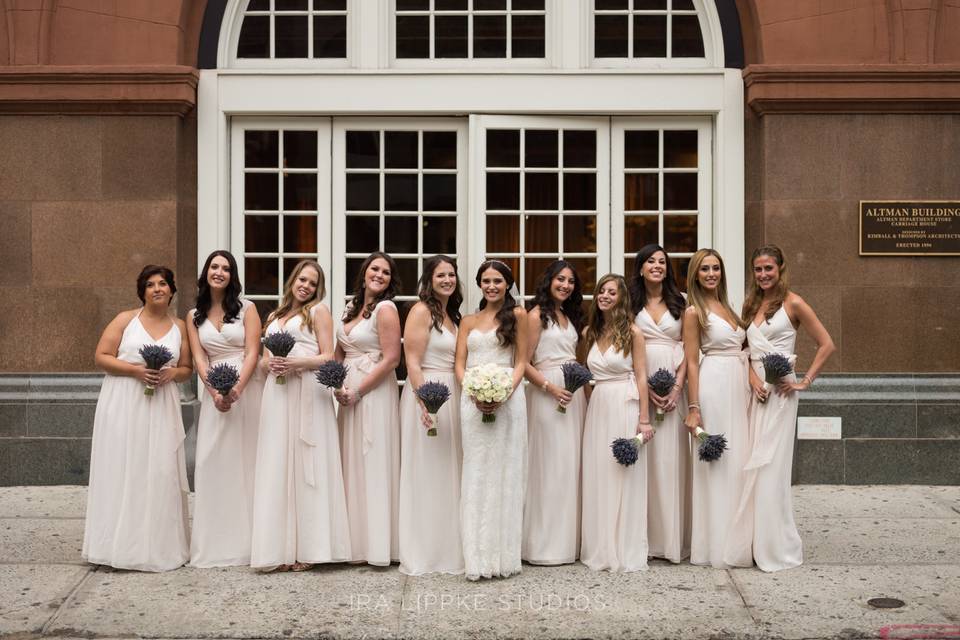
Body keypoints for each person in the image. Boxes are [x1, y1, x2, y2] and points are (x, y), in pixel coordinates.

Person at [729, 245, 835, 571]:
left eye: (768, 269)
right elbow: (745, 351)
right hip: (755, 388)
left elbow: (827, 344)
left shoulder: (795, 302)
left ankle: (774, 545)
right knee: (750, 461)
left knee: (771, 467)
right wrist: (751, 380)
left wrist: (804, 382)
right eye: (758, 270)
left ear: (780, 269)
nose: (763, 275)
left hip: (782, 391)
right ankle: (752, 540)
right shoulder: (751, 304)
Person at [82, 264, 192, 572]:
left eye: (163, 284)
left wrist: (172, 373)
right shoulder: (125, 320)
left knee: (159, 470)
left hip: (161, 405)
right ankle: (115, 545)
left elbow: (186, 369)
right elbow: (101, 357)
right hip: (124, 401)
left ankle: (158, 546)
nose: (157, 289)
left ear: (172, 290)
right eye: (150, 285)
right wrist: (136, 370)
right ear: (142, 291)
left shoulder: (180, 326)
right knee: (123, 467)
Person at [251, 260, 351, 571]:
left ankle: (312, 547)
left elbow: (327, 356)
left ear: (317, 288)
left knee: (310, 463)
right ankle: (279, 548)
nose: (305, 286)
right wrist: (271, 365)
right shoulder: (275, 316)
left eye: (312, 282)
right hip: (278, 392)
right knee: (278, 461)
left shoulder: (319, 312)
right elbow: (263, 361)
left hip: (308, 390)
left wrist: (295, 364)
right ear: (293, 281)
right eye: (302, 279)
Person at [186, 250, 263, 568]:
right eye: (214, 267)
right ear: (205, 273)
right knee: (212, 462)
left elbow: (252, 352)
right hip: (214, 393)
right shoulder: (193, 316)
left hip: (247, 389)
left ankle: (252, 542)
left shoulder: (247, 309)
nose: (220, 272)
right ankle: (216, 542)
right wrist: (215, 392)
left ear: (233, 276)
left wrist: (235, 390)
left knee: (248, 461)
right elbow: (199, 359)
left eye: (226, 268)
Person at [455, 260, 528, 580]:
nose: (492, 286)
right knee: (476, 471)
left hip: (508, 399)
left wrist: (503, 394)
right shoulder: (467, 321)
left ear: (507, 284)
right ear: (479, 284)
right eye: (485, 281)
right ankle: (475, 557)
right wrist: (471, 390)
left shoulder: (519, 316)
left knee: (504, 472)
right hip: (471, 398)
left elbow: (522, 361)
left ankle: (502, 557)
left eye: (498, 280)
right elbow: (460, 362)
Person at [682, 249, 752, 569]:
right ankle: (715, 543)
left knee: (739, 460)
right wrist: (694, 407)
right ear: (695, 274)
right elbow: (693, 362)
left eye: (716, 268)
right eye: (705, 269)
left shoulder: (728, 308)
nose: (711, 274)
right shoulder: (694, 312)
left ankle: (739, 538)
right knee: (718, 462)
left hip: (739, 387)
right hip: (714, 385)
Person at [579, 274, 653, 572]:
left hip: (625, 403)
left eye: (612, 292)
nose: (605, 296)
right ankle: (600, 544)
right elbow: (585, 375)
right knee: (599, 472)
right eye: (601, 291)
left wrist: (644, 419)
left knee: (622, 473)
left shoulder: (633, 333)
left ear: (622, 298)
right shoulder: (590, 332)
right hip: (598, 406)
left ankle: (623, 546)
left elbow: (642, 376)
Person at [335, 252, 402, 566]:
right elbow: (337, 354)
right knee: (351, 462)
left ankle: (376, 545)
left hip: (372, 391)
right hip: (346, 391)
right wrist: (336, 384)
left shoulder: (386, 309)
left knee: (371, 459)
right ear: (364, 273)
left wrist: (359, 391)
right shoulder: (351, 308)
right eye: (374, 269)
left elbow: (391, 359)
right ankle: (352, 543)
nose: (379, 275)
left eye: (386, 272)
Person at [398, 255, 464, 575]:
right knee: (427, 470)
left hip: (453, 393)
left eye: (451, 275)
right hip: (429, 392)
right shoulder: (421, 311)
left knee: (449, 471)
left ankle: (448, 547)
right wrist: (425, 402)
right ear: (429, 279)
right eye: (441, 275)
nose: (447, 280)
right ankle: (424, 549)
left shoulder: (453, 315)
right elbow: (412, 361)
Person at [522, 260, 586, 565]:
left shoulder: (568, 316)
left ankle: (566, 543)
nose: (565, 285)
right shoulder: (536, 316)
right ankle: (542, 546)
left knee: (568, 466)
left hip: (573, 394)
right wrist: (549, 387)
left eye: (571, 282)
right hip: (547, 395)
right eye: (560, 279)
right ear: (549, 280)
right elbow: (523, 362)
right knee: (548, 466)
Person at [629, 244, 690, 563]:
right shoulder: (629, 303)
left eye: (662, 262)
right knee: (643, 462)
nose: (657, 266)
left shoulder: (681, 303)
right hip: (637, 383)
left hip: (673, 388)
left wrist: (678, 388)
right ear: (640, 268)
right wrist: (643, 389)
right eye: (650, 261)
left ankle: (669, 540)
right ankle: (642, 538)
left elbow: (690, 349)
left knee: (668, 461)